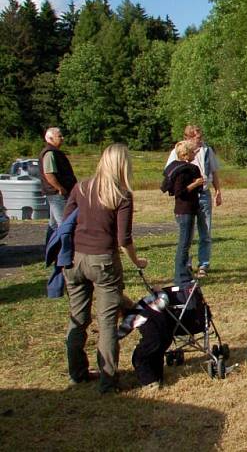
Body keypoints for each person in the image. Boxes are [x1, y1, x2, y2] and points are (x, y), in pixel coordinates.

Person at [62, 143, 148, 392]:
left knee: (78, 319)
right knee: (107, 322)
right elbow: (124, 239)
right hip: (103, 262)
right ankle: (108, 381)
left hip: (75, 260)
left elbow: (65, 222)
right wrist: (137, 261)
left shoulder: (81, 187)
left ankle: (76, 373)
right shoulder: (121, 195)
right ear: (123, 165)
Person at [165, 125, 222, 277]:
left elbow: (214, 172)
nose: (200, 141)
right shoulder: (178, 151)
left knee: (205, 231)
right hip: (187, 199)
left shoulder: (207, 151)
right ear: (188, 138)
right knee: (187, 234)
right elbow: (169, 173)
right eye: (197, 138)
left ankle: (203, 264)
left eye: (201, 137)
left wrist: (218, 191)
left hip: (203, 194)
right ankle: (186, 264)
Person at [164, 141, 205, 285]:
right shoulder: (183, 171)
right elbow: (179, 192)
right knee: (184, 244)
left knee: (186, 243)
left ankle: (184, 274)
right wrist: (196, 183)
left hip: (187, 210)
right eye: (193, 152)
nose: (195, 154)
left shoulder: (183, 168)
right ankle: (180, 277)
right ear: (185, 155)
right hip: (184, 211)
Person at [39, 127, 78, 242]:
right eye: (59, 136)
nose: (62, 138)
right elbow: (49, 174)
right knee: (65, 223)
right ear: (50, 138)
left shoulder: (54, 152)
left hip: (55, 193)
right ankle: (64, 252)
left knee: (54, 225)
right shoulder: (50, 153)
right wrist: (60, 188)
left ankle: (51, 251)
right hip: (57, 194)